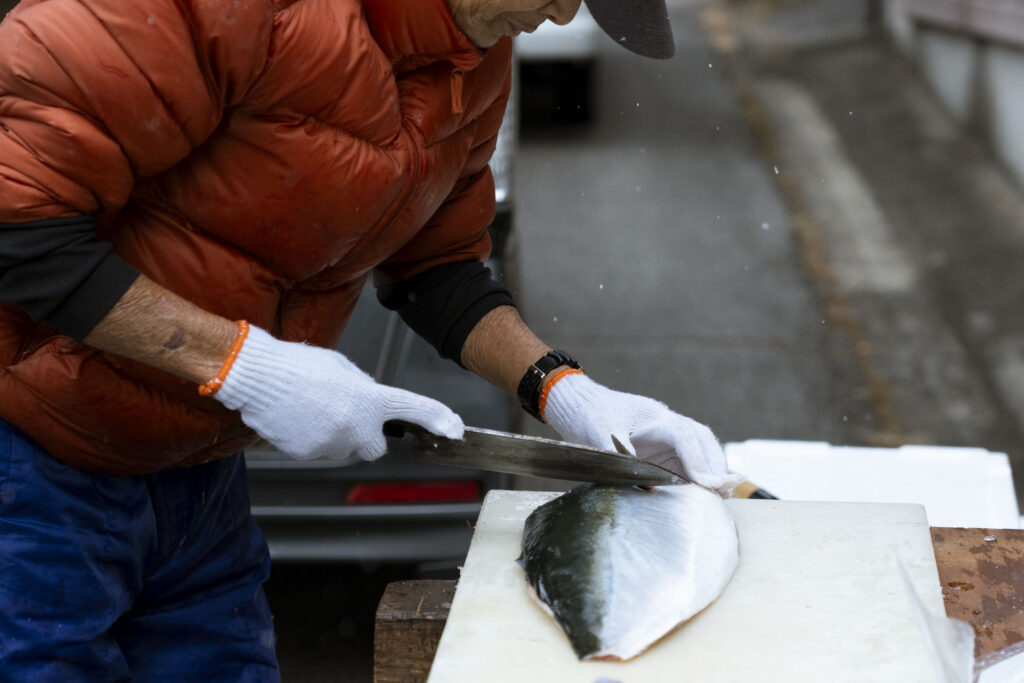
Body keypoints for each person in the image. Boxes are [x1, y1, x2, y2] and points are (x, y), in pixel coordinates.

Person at [0, 0, 740, 678]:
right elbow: (16, 219)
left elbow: (436, 269)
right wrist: (245, 367)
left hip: (195, 473)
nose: (564, 11)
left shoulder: (475, 60)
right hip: (30, 455)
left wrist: (563, 389)